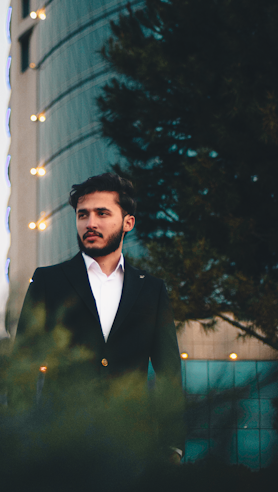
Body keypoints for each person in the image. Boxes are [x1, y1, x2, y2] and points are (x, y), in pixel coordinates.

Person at [14, 173, 185, 462]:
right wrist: (19, 439)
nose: (90, 223)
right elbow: (22, 364)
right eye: (83, 215)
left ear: (127, 222)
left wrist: (173, 447)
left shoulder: (152, 289)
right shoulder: (47, 281)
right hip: (58, 446)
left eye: (102, 213)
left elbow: (169, 372)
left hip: (132, 447)